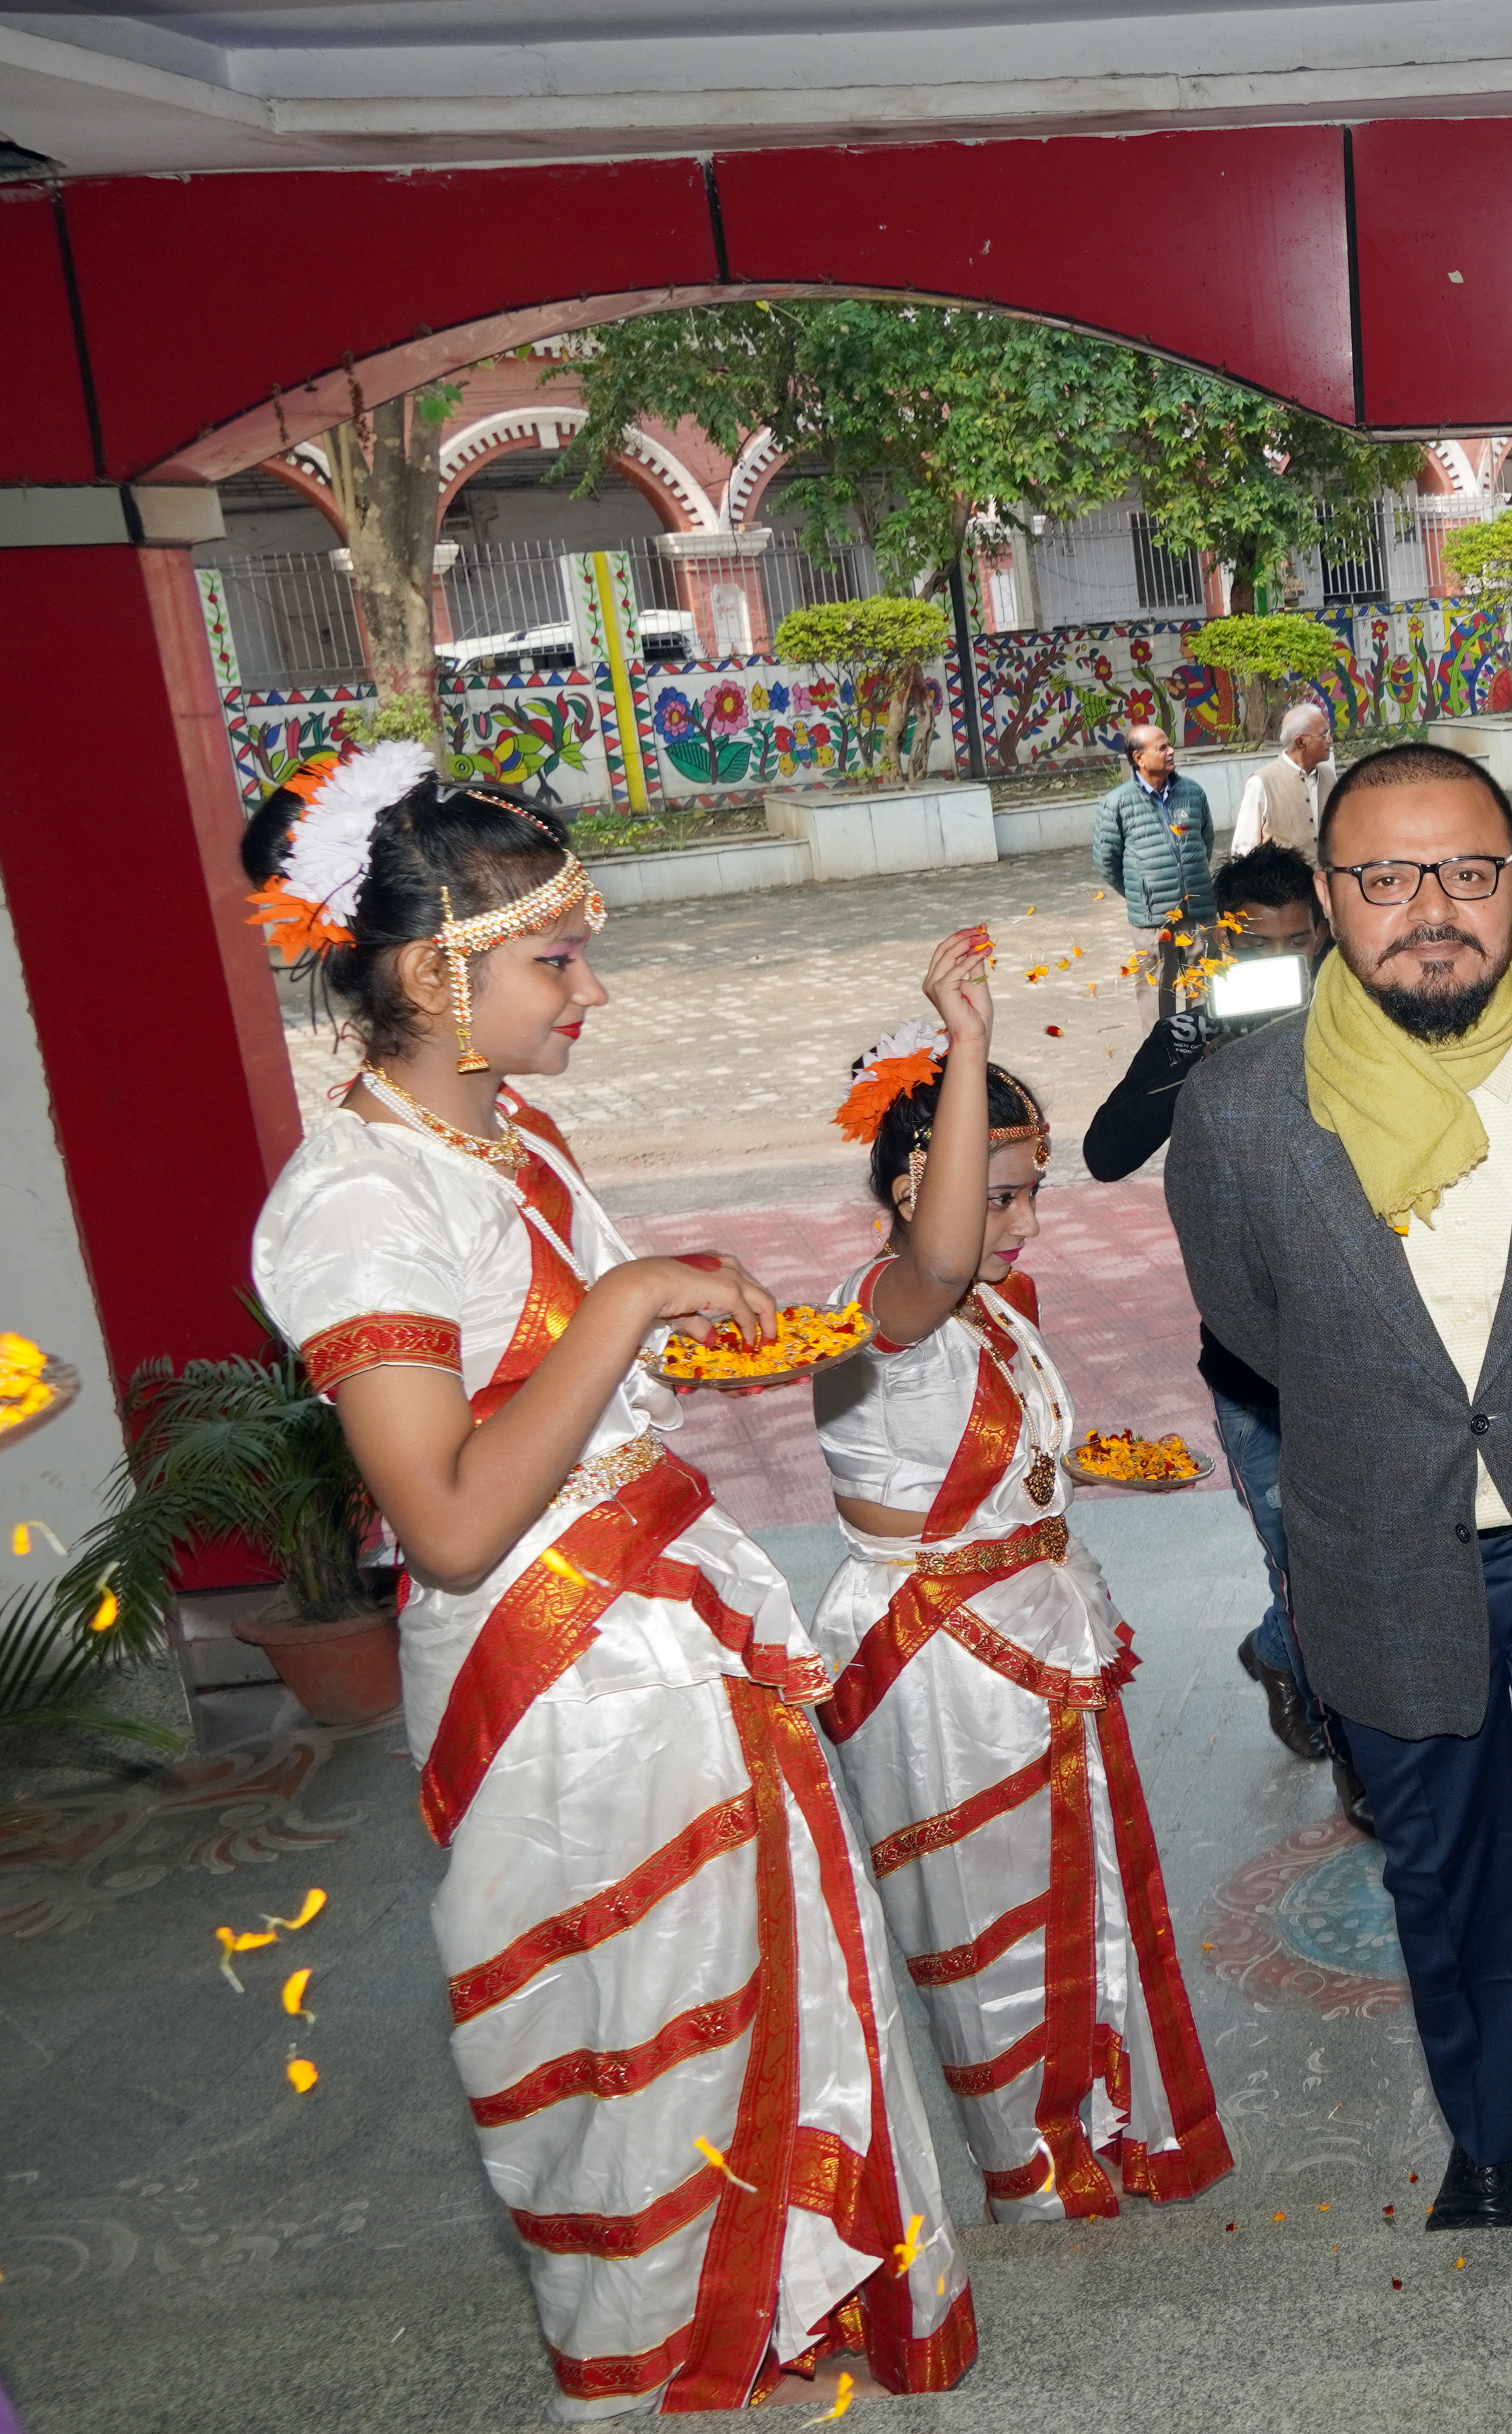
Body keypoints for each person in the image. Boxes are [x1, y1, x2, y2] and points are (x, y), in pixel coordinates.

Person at [242, 748, 972, 2413]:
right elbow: (441, 1519)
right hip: (555, 1685)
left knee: (742, 1995)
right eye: (554, 958)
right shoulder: (357, 1203)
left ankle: (765, 2322)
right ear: (435, 969)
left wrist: (665, 1328)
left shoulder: (512, 1140)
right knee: (630, 2039)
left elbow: (562, 1387)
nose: (590, 988)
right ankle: (656, 2366)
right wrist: (630, 1303)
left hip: (668, 1639)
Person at [1165, 742, 1512, 2281]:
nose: (1431, 911)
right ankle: (1486, 2134)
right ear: (1329, 897)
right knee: (1446, 1877)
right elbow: (1256, 1326)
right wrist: (1406, 1416)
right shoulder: (1243, 1110)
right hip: (1386, 1549)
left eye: (1467, 872)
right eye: (1387, 878)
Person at [807, 930, 1232, 2227]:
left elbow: (999, 1463)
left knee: (1083, 1897)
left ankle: (1100, 2124)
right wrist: (968, 1044)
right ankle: (1031, 2170)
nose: (1024, 1222)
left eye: (1033, 1188)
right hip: (942, 1661)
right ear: (912, 1188)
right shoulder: (889, 1293)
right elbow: (934, 1269)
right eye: (998, 1193)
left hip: (1037, 1630)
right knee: (991, 1929)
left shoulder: (992, 1305)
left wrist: (1092, 1473)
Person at [1082, 846, 1351, 1806]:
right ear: (1219, 947)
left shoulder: (1364, 1015)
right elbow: (1106, 1153)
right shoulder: (1201, 1027)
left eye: (1297, 944)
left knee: (1356, 1562)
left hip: (1368, 1358)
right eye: (1256, 949)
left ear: (1323, 931)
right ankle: (1348, 1742)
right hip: (1251, 1370)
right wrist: (1188, 1038)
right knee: (1308, 1563)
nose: (1282, 965)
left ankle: (1288, 1653)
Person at [1092, 722, 1218, 1020]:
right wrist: (1141, 892)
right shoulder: (1117, 804)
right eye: (1162, 748)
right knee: (1156, 992)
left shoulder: (1191, 792)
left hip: (1198, 911)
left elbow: (1206, 841)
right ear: (1139, 758)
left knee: (1201, 989)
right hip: (1153, 921)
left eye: (1169, 745)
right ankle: (1161, 1061)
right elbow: (1106, 860)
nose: (1171, 751)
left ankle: (1202, 1055)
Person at [1233, 702, 1338, 859]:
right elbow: (1244, 848)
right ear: (1300, 742)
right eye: (1323, 734)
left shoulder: (1329, 776)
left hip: (1327, 880)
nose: (1330, 740)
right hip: (1284, 882)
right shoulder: (1262, 782)